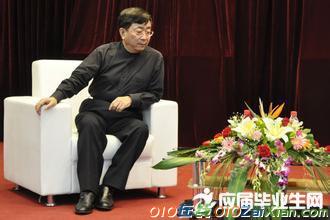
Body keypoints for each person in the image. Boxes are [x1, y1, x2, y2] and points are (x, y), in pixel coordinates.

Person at [34, 7, 164, 215]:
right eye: (139, 31)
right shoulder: (104, 52)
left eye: (148, 31)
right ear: (123, 32)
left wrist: (131, 99)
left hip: (126, 116)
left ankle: (109, 188)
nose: (145, 37)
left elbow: (155, 93)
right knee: (88, 124)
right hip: (96, 110)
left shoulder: (155, 58)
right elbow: (79, 77)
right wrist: (56, 96)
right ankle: (87, 192)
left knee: (140, 130)